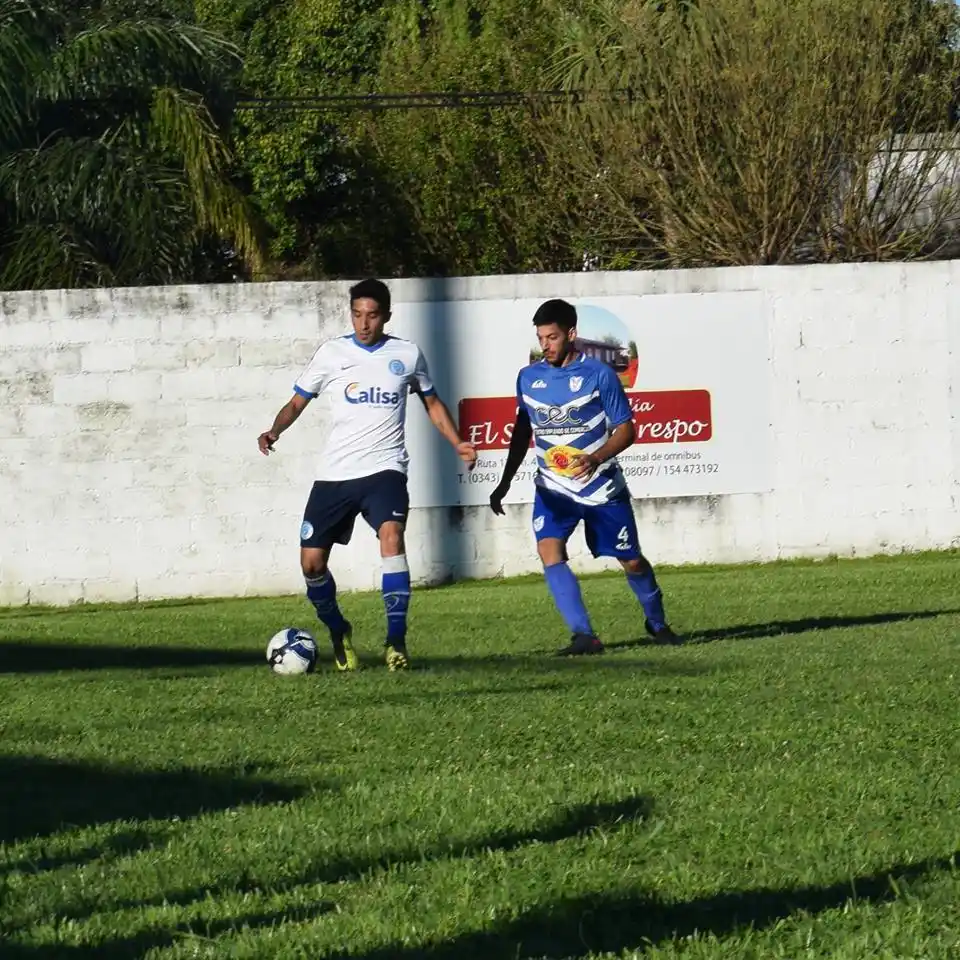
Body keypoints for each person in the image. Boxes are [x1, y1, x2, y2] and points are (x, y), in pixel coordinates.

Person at [258, 278, 477, 671]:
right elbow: (296, 402)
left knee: (392, 537)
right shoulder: (332, 353)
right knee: (311, 564)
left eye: (372, 315)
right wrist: (275, 430)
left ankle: (396, 641)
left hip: (385, 470)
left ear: (386, 316)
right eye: (357, 314)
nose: (364, 323)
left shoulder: (407, 355)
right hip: (335, 475)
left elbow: (432, 403)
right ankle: (339, 629)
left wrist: (458, 442)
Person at [489, 298, 679, 655]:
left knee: (632, 561)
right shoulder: (528, 377)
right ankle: (584, 636)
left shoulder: (599, 375)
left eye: (552, 337)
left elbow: (626, 431)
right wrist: (505, 480)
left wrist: (595, 458)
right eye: (540, 338)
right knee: (549, 551)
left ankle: (657, 623)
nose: (545, 345)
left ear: (571, 334)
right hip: (552, 488)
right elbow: (521, 431)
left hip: (600, 488)